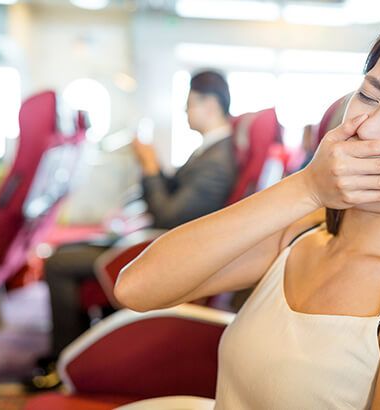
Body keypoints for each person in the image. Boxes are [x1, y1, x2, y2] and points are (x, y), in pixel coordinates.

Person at [115, 10, 380, 409]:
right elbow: (136, 288)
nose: (368, 127)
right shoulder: (302, 232)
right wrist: (306, 188)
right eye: (368, 96)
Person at [26, 70, 237, 390]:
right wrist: (151, 164)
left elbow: (168, 216)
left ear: (210, 105)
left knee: (57, 263)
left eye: (189, 103)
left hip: (168, 252)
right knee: (66, 253)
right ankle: (76, 355)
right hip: (159, 240)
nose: (184, 111)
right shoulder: (208, 150)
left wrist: (150, 165)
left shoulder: (218, 160)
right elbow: (175, 196)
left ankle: (64, 360)